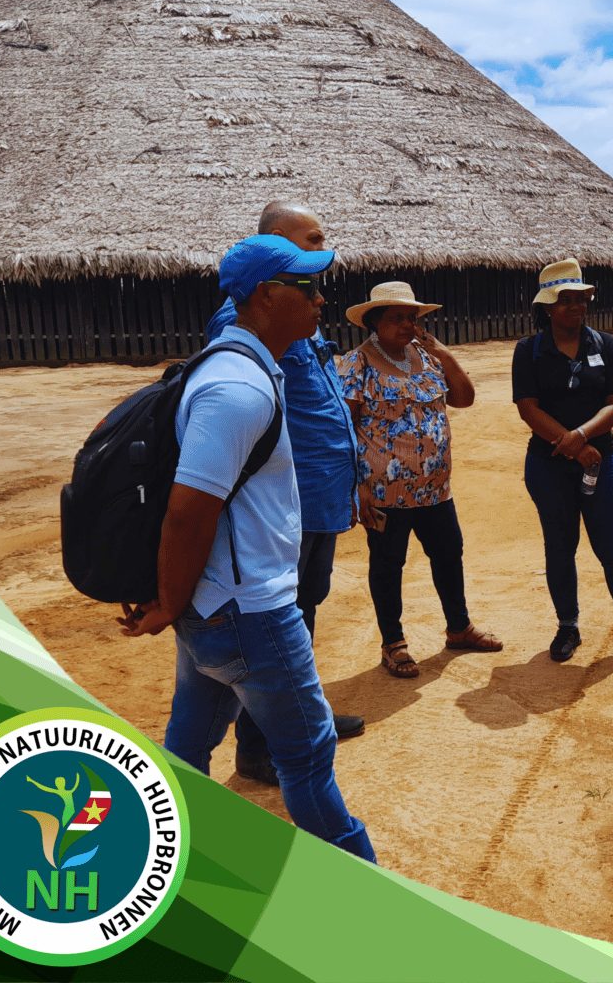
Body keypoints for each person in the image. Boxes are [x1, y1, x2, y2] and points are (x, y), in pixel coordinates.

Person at [121, 233, 377, 863]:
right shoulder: (238, 388)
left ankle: (167, 867)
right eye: (308, 287)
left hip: (215, 605)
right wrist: (166, 604)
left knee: (188, 744)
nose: (322, 300)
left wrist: (179, 603)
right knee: (310, 757)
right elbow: (188, 514)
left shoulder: (247, 366)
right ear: (267, 296)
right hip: (247, 611)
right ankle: (371, 893)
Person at [206, 201, 363, 787]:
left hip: (320, 493)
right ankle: (259, 749)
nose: (324, 247)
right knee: (274, 620)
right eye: (310, 239)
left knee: (304, 611)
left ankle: (301, 718)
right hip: (283, 500)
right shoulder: (241, 321)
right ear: (273, 246)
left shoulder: (301, 309)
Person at [338, 281, 500, 677]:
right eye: (397, 318)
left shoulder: (427, 359)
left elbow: (464, 398)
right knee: (389, 564)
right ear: (374, 322)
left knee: (449, 554)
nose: (407, 325)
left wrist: (444, 353)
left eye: (411, 318)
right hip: (384, 492)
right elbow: (344, 425)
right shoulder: (357, 363)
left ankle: (458, 628)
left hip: (435, 489)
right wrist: (354, 487)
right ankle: (393, 643)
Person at [511, 258, 613, 670]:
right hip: (548, 466)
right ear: (547, 307)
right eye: (565, 300)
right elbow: (528, 408)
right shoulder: (529, 351)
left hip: (600, 461)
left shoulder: (606, 345)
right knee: (560, 548)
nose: (576, 307)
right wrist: (568, 444)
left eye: (581, 299)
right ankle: (568, 626)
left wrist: (581, 438)